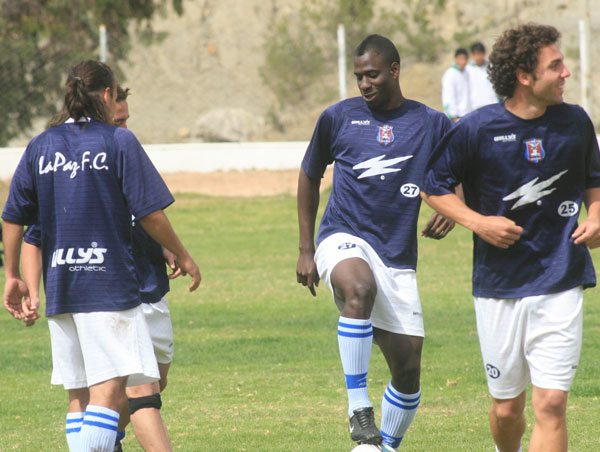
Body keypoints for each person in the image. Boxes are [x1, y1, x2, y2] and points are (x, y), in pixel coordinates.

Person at [2, 60, 201, 452]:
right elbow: (150, 213)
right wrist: (183, 253)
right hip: (107, 285)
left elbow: (13, 217)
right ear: (109, 94)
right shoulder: (117, 141)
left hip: (62, 288)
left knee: (80, 396)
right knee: (109, 393)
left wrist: (12, 275)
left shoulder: (41, 145)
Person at [422, 23, 600, 452]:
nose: (566, 73)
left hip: (560, 276)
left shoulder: (575, 122)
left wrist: (596, 215)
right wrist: (478, 222)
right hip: (498, 286)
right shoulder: (476, 128)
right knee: (506, 410)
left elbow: (593, 180)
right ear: (524, 76)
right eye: (555, 66)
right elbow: (432, 187)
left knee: (551, 404)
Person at [296, 34, 453, 450]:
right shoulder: (338, 117)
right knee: (358, 287)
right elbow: (309, 174)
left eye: (372, 75)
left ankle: (381, 447)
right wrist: (306, 249)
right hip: (342, 235)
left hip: (397, 255)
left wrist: (454, 207)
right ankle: (358, 407)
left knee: (408, 370)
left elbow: (462, 169)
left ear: (395, 71)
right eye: (359, 77)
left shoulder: (431, 123)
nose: (364, 84)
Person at [466, 42, 499, 111]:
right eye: (475, 54)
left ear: (484, 53)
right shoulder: (468, 69)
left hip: (492, 104)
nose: (478, 57)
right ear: (472, 55)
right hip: (475, 107)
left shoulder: (491, 66)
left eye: (479, 53)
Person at [441, 48, 471, 122]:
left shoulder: (466, 73)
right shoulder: (450, 74)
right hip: (455, 117)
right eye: (460, 59)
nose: (463, 61)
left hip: (467, 115)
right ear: (456, 59)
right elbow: (448, 96)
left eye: (465, 59)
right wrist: (453, 116)